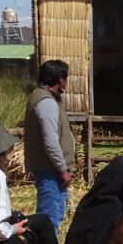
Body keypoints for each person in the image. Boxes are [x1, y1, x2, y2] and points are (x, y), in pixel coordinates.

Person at [24, 59, 77, 234]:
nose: (66, 82)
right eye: (66, 77)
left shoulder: (45, 98)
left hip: (51, 169)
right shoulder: (46, 102)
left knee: (54, 215)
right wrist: (63, 170)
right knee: (49, 218)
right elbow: (50, 140)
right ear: (60, 80)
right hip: (50, 170)